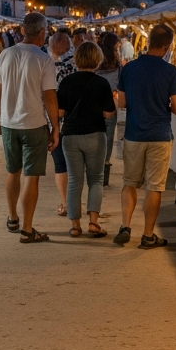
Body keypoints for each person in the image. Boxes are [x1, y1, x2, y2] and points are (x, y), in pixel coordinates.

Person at [114, 24, 176, 247]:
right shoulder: (170, 72)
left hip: (134, 133)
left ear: (148, 41)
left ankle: (125, 226)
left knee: (129, 183)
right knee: (154, 187)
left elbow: (122, 103)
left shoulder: (129, 69)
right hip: (159, 135)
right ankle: (147, 235)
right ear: (166, 46)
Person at [0, 12, 59, 242]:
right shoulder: (44, 60)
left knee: (12, 170)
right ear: (42, 32)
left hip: (9, 123)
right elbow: (50, 97)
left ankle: (12, 218)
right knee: (31, 175)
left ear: (23, 30)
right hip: (34, 124)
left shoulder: (6, 54)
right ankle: (28, 229)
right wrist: (55, 128)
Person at [58, 42, 116, 237]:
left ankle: (75, 226)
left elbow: (59, 112)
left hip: (71, 136)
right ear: (97, 59)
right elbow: (109, 114)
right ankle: (93, 222)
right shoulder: (102, 83)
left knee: (75, 181)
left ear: (77, 59)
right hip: (95, 135)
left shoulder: (67, 82)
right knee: (96, 179)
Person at [48, 31, 75, 215]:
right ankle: (75, 203)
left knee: (60, 164)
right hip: (76, 121)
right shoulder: (76, 65)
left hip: (54, 120)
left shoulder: (47, 66)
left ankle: (65, 204)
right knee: (76, 164)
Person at [95, 32, 123, 185]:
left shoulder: (97, 59)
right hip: (111, 102)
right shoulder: (117, 62)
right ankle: (104, 165)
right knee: (109, 135)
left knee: (96, 132)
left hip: (95, 101)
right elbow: (119, 82)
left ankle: (95, 165)